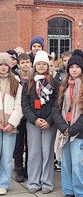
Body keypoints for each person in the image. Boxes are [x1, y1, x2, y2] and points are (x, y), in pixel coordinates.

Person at [53, 49, 83, 197]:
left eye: (77, 67)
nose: (74, 69)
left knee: (77, 164)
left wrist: (73, 129)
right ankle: (69, 191)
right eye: (71, 67)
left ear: (81, 69)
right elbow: (56, 109)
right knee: (66, 164)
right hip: (64, 130)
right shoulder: (63, 87)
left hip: (78, 132)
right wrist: (64, 127)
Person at [21, 50, 60, 194]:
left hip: (49, 123)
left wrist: (49, 120)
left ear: (48, 66)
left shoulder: (54, 83)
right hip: (33, 123)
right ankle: (33, 181)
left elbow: (57, 103)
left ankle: (47, 183)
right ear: (35, 65)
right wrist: (35, 119)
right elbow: (25, 104)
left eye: (44, 64)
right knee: (34, 152)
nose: (42, 66)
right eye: (39, 64)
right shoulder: (29, 84)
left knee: (47, 153)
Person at [0, 53, 23, 195]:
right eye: (1, 64)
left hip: (9, 126)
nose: (3, 67)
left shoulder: (16, 83)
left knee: (7, 156)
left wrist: (11, 123)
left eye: (5, 65)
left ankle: (3, 183)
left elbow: (19, 106)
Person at [13, 53, 32, 183]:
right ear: (18, 65)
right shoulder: (14, 78)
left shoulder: (34, 76)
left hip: (31, 115)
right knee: (19, 144)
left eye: (27, 62)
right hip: (19, 115)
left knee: (31, 143)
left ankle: (28, 168)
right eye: (23, 62)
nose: (25, 64)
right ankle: (18, 167)